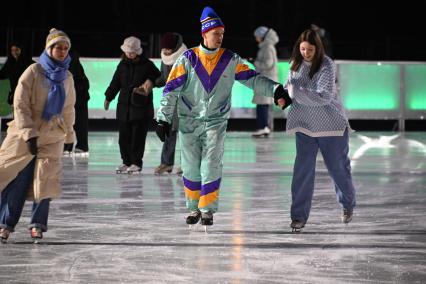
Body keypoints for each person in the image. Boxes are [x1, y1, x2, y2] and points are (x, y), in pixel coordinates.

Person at [156, 6, 292, 227]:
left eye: (222, 34)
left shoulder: (230, 59)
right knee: (190, 166)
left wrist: (276, 89)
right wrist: (163, 118)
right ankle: (193, 209)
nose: (219, 38)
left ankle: (207, 209)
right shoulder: (187, 59)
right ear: (204, 34)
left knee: (211, 164)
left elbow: (253, 78)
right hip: (189, 121)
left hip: (216, 122)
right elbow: (170, 90)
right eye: (215, 34)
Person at [0, 28, 76, 242]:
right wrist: (29, 133)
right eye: (58, 47)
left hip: (52, 136)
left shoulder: (67, 76)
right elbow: (20, 104)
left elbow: (69, 108)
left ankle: (37, 224)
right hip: (25, 135)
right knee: (17, 180)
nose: (62, 51)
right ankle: (5, 223)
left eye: (65, 48)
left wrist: (69, 135)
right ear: (49, 48)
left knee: (45, 181)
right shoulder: (33, 71)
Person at [278, 29, 355, 232]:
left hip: (331, 126)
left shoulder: (327, 64)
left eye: (310, 49)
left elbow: (324, 96)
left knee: (338, 170)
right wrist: (284, 96)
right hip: (305, 125)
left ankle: (348, 204)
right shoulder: (294, 63)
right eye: (302, 49)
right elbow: (289, 87)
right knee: (302, 172)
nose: (306, 53)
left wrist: (296, 92)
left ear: (318, 48)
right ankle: (298, 217)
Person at [104, 36, 161, 174]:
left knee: (137, 138)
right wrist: (108, 97)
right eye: (127, 51)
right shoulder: (122, 65)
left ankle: (136, 163)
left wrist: (150, 81)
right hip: (124, 108)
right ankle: (126, 161)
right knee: (123, 138)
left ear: (138, 51)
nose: (129, 54)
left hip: (141, 108)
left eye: (132, 52)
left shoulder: (147, 65)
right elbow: (115, 82)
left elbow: (159, 78)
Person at [154, 32, 187, 175]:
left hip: (186, 101)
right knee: (168, 131)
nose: (165, 51)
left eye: (168, 49)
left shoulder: (187, 57)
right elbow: (164, 78)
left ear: (175, 47)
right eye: (164, 49)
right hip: (170, 101)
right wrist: (152, 82)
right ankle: (166, 163)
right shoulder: (165, 58)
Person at [251, 26, 279, 137]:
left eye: (257, 36)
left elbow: (268, 64)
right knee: (265, 105)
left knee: (262, 104)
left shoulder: (267, 47)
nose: (256, 39)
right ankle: (266, 128)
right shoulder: (268, 46)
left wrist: (255, 62)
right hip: (267, 79)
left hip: (266, 79)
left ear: (262, 36)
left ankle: (263, 127)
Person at [63, 49, 90, 156]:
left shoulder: (71, 65)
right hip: (78, 97)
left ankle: (72, 146)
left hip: (78, 98)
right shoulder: (76, 65)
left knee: (75, 123)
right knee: (74, 123)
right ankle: (77, 146)